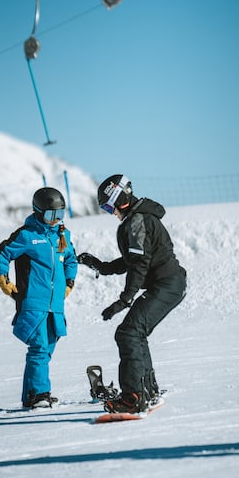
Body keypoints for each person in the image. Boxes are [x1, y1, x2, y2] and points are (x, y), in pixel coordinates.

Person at [78, 174, 186, 414]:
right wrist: (101, 266)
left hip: (167, 284)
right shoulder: (137, 218)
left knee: (128, 333)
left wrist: (124, 300)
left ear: (121, 200)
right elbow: (132, 259)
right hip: (169, 283)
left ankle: (133, 398)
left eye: (108, 206)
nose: (109, 212)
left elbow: (138, 264)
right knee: (135, 333)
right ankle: (148, 391)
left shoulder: (136, 221)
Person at [0, 187, 78, 409]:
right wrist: (3, 280)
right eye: (51, 215)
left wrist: (69, 282)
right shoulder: (27, 235)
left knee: (47, 348)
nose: (56, 219)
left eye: (60, 214)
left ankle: (31, 395)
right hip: (33, 302)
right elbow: (2, 254)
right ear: (39, 212)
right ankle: (40, 393)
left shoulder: (62, 235)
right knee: (39, 348)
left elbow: (71, 260)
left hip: (55, 305)